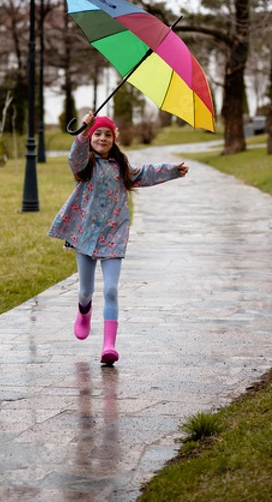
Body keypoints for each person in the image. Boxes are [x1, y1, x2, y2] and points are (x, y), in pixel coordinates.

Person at [48, 112, 189, 365]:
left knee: (111, 289)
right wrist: (82, 131)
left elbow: (145, 174)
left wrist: (172, 171)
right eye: (98, 134)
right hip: (84, 235)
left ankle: (108, 346)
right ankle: (84, 311)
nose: (102, 138)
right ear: (91, 137)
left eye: (108, 134)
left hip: (114, 235)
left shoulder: (121, 167)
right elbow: (75, 156)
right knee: (85, 290)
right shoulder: (85, 164)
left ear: (115, 139)